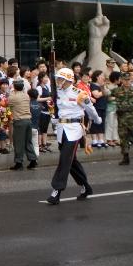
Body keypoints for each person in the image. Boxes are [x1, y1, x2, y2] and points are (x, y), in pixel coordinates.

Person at [45, 67, 98, 205]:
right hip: (62, 130)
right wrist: (55, 118)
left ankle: (56, 191)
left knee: (64, 159)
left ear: (68, 80)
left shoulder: (79, 93)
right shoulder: (58, 92)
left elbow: (90, 108)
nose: (58, 81)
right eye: (57, 78)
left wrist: (97, 120)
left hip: (74, 130)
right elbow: (57, 109)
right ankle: (85, 187)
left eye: (60, 78)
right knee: (71, 161)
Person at [111, 69, 133, 166]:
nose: (126, 81)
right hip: (122, 118)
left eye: (128, 79)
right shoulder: (116, 90)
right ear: (121, 80)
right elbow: (107, 95)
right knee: (123, 137)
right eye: (125, 80)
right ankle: (125, 157)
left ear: (131, 80)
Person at [8, 78, 35, 170]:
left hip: (19, 121)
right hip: (28, 120)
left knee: (18, 143)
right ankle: (33, 160)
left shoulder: (13, 97)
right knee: (28, 141)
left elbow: (5, 103)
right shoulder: (26, 95)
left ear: (14, 87)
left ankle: (19, 163)